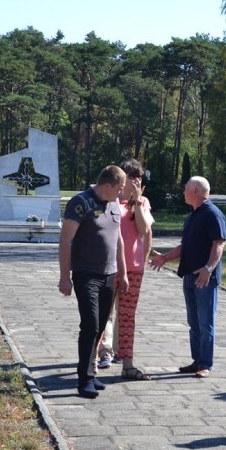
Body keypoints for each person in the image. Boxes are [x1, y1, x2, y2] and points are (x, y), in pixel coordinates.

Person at [58, 165, 129, 399]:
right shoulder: (81, 203)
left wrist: (123, 273)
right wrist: (64, 276)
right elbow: (65, 241)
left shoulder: (114, 204)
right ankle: (84, 379)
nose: (121, 193)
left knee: (99, 326)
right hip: (85, 273)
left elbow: (118, 241)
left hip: (109, 274)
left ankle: (91, 372)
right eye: (119, 189)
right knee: (89, 324)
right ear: (106, 185)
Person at [150, 176, 226, 379]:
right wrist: (165, 258)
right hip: (189, 276)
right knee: (193, 322)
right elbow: (185, 247)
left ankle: (205, 364)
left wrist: (208, 268)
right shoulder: (192, 215)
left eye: (185, 189)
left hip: (204, 278)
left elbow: (218, 244)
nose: (183, 192)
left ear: (196, 191)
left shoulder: (212, 214)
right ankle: (197, 360)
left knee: (205, 322)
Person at [112, 158, 154, 380]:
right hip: (109, 267)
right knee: (102, 316)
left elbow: (142, 229)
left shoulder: (143, 202)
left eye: (139, 177)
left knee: (127, 317)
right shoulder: (111, 201)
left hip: (134, 268)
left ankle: (127, 364)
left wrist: (136, 202)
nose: (137, 180)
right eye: (132, 176)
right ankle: (93, 362)